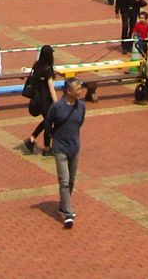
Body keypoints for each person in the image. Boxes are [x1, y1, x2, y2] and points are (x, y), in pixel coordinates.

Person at [46, 81, 95, 229]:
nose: (80, 91)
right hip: (60, 148)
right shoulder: (57, 107)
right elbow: (48, 124)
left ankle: (63, 205)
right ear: (68, 90)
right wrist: (55, 137)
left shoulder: (81, 106)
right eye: (78, 88)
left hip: (74, 147)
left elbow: (79, 123)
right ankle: (68, 213)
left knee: (72, 179)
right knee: (64, 180)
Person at [20, 45, 57, 152]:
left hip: (37, 99)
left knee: (46, 121)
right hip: (46, 100)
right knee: (48, 122)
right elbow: (51, 89)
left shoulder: (36, 65)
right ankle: (45, 147)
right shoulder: (48, 69)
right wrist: (56, 103)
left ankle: (33, 139)